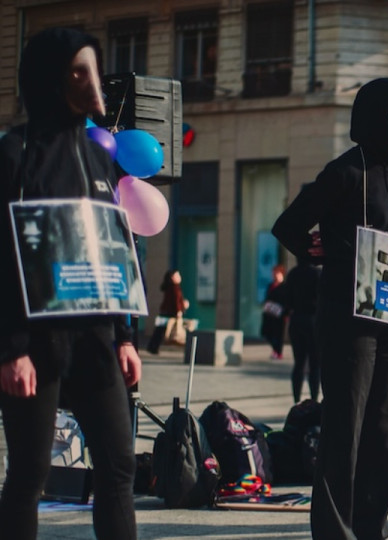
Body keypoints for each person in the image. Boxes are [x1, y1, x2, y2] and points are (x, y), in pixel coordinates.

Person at [0, 27, 141, 539]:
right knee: (30, 474)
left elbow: (117, 247)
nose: (91, 82)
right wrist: (10, 349)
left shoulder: (99, 156)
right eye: (78, 72)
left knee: (119, 467)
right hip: (35, 345)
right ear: (49, 79)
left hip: (96, 341)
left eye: (94, 70)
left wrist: (126, 336)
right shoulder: (14, 154)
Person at [271, 77, 388, 540]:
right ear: (383, 116)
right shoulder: (345, 171)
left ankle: (371, 528)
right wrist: (318, 250)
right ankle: (335, 533)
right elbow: (289, 225)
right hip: (348, 322)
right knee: (344, 432)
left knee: (385, 435)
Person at [285, 258, 322, 402]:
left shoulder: (292, 274)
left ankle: (296, 400)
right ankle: (314, 399)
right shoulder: (317, 274)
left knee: (298, 363)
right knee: (315, 364)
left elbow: (287, 301)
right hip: (313, 320)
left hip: (297, 319)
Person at [146, 269, 190, 354]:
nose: (179, 277)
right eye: (178, 275)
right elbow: (176, 300)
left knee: (159, 330)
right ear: (173, 277)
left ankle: (152, 347)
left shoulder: (168, 287)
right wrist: (179, 310)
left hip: (165, 311)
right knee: (162, 330)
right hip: (171, 312)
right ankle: (154, 347)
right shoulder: (175, 287)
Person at [261, 264, 287, 360]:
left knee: (278, 334)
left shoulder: (284, 286)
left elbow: (286, 300)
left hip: (279, 314)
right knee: (267, 333)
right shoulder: (270, 286)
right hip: (269, 313)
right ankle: (275, 350)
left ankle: (278, 352)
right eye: (274, 273)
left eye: (277, 273)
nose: (275, 275)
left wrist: (286, 313)